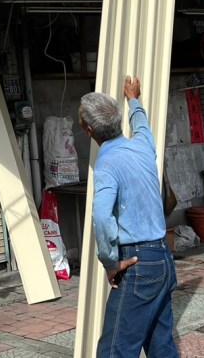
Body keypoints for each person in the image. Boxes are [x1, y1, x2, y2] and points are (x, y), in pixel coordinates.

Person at [79, 77, 179, 358]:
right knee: (162, 347)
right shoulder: (143, 147)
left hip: (137, 265)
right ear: (118, 121)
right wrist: (133, 99)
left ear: (88, 131)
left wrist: (110, 261)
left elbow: (101, 217)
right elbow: (142, 125)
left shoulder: (107, 163)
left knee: (115, 351)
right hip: (162, 258)